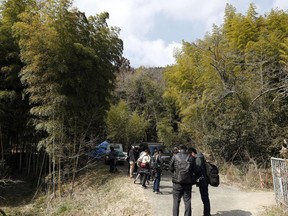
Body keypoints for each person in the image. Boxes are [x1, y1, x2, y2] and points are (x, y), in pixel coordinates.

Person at [169, 144, 196, 216]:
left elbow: (170, 168)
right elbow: (194, 170)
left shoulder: (175, 156)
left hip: (177, 182)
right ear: (186, 149)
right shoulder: (190, 157)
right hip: (187, 182)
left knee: (176, 201)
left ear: (179, 149)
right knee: (187, 201)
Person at [189, 147, 211, 216]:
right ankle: (207, 213)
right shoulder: (200, 157)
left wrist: (192, 169)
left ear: (192, 153)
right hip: (204, 180)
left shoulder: (198, 159)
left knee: (204, 197)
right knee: (205, 197)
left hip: (203, 180)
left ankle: (207, 214)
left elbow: (197, 170)